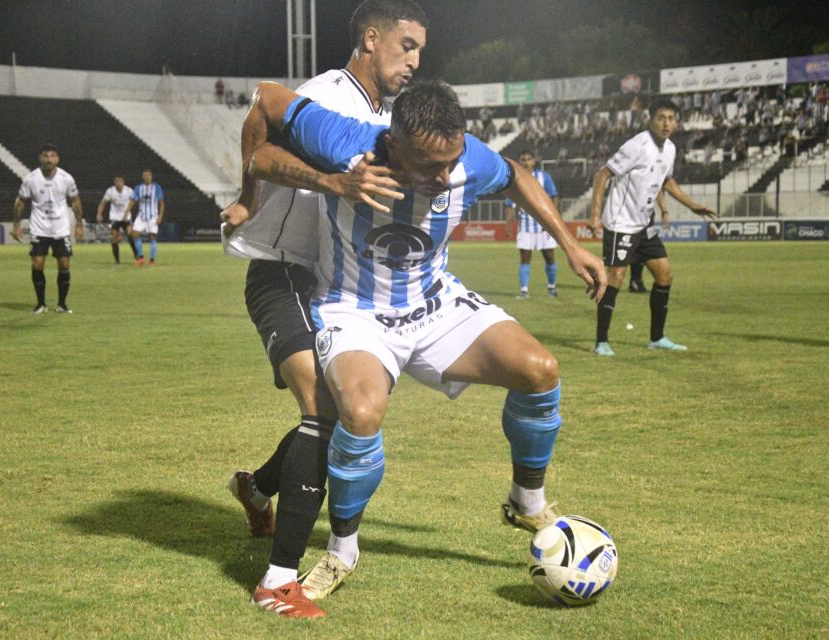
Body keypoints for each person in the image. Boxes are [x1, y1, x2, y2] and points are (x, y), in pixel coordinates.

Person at [244, 78, 606, 606]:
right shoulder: (346, 142)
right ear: (392, 144)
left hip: (435, 305)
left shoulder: (465, 159)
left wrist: (570, 244)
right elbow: (265, 104)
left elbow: (516, 177)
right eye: (428, 166)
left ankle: (527, 500)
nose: (444, 177)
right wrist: (330, 182)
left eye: (450, 164)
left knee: (540, 369)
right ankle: (343, 549)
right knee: (362, 413)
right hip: (356, 311)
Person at [220, 0, 428, 619]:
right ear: (371, 38)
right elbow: (260, 140)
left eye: (421, 49)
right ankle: (278, 584)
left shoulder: (384, 117)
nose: (416, 60)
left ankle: (254, 489)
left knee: (332, 415)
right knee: (324, 407)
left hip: (333, 286)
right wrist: (249, 199)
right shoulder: (328, 95)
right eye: (407, 45)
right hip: (281, 269)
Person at [589, 99, 715, 357]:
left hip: (645, 223)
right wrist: (594, 215)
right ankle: (601, 342)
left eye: (671, 118)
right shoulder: (637, 145)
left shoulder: (670, 148)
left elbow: (666, 181)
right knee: (615, 279)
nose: (666, 123)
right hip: (621, 222)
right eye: (661, 117)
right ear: (650, 120)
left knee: (665, 275)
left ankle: (657, 338)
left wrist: (692, 206)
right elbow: (602, 174)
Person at [13, 143, 83, 314]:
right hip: (39, 228)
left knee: (64, 264)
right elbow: (21, 202)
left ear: (57, 159)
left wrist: (79, 224)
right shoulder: (31, 178)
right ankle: (41, 304)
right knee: (37, 264)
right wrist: (16, 224)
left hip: (60, 229)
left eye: (52, 156)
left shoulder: (66, 178)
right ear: (40, 158)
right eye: (46, 156)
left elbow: (75, 201)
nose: (49, 159)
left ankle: (62, 304)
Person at [506, 150, 560, 299]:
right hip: (525, 225)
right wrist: (508, 224)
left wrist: (552, 216)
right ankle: (524, 290)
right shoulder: (515, 179)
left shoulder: (544, 177)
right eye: (522, 159)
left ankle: (552, 288)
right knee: (525, 257)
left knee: (549, 256)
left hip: (544, 224)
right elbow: (510, 204)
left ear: (533, 161)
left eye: (528, 159)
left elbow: (554, 197)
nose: (525, 162)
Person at [628, 191, 668, 293]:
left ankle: (636, 280)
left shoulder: (655, 178)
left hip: (649, 217)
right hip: (632, 216)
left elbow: (658, 190)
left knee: (642, 247)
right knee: (636, 247)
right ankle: (635, 280)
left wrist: (664, 211)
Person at [96, 174, 136, 265]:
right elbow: (103, 203)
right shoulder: (110, 191)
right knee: (114, 238)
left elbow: (134, 201)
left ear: (123, 182)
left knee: (130, 236)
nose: (118, 183)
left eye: (120, 181)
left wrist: (128, 211)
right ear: (114, 183)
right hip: (115, 217)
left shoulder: (129, 190)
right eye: (116, 181)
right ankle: (117, 261)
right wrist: (99, 214)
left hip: (126, 217)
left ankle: (137, 257)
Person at [130, 169, 164, 266]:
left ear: (151, 176)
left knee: (152, 237)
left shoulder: (156, 187)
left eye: (148, 175)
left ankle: (152, 260)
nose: (147, 177)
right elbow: (133, 201)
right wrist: (126, 212)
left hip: (153, 216)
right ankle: (141, 257)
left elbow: (161, 203)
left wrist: (160, 216)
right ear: (142, 177)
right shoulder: (138, 188)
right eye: (145, 175)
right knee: (135, 234)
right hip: (141, 215)